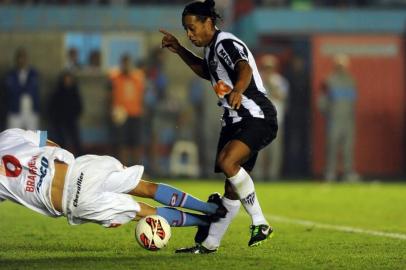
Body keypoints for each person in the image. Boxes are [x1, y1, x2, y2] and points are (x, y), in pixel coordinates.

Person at [160, 0, 278, 253]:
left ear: (208, 22)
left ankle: (260, 222)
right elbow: (207, 71)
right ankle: (209, 243)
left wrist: (237, 90)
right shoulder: (211, 49)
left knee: (228, 162)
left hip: (255, 115)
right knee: (231, 187)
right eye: (186, 30)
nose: (189, 34)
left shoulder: (225, 42)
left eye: (192, 28)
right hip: (236, 118)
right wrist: (180, 49)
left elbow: (243, 67)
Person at [0, 128, 227, 230]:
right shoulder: (8, 136)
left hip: (75, 203)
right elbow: (50, 145)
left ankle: (205, 223)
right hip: (79, 171)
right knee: (145, 187)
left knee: (144, 212)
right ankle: (210, 208)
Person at [318, 54, 359, 182]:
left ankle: (348, 173)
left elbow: (353, 101)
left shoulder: (351, 80)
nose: (341, 68)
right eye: (339, 66)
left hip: (348, 119)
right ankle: (331, 173)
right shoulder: (329, 80)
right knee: (332, 147)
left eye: (343, 66)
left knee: (348, 148)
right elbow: (321, 101)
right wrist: (327, 114)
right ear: (335, 66)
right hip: (334, 119)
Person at [109, 54, 145, 165]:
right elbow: (109, 95)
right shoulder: (115, 77)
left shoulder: (138, 76)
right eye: (124, 63)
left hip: (135, 114)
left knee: (136, 144)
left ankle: (136, 170)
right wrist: (111, 111)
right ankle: (123, 169)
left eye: (127, 63)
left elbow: (142, 95)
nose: (126, 66)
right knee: (122, 144)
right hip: (121, 115)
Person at [257, 54, 289, 180]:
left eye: (270, 67)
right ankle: (258, 174)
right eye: (265, 67)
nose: (268, 70)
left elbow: (281, 96)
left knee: (275, 150)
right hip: (258, 120)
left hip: (275, 121)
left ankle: (273, 175)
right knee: (258, 150)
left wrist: (270, 84)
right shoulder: (256, 80)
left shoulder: (280, 81)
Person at [48, 71, 83, 156]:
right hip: (59, 120)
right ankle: (62, 157)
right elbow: (52, 106)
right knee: (61, 140)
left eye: (69, 80)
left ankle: (80, 156)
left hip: (71, 119)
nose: (67, 81)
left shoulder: (74, 92)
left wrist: (75, 114)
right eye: (66, 80)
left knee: (75, 140)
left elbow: (79, 106)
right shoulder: (58, 92)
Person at [5, 48, 40, 130]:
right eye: (19, 58)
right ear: (16, 60)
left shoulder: (33, 73)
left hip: (31, 108)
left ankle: (41, 143)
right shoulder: (10, 74)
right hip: (15, 108)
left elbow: (33, 89)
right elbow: (10, 90)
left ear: (27, 59)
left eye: (24, 58)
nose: (21, 60)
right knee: (12, 134)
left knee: (35, 135)